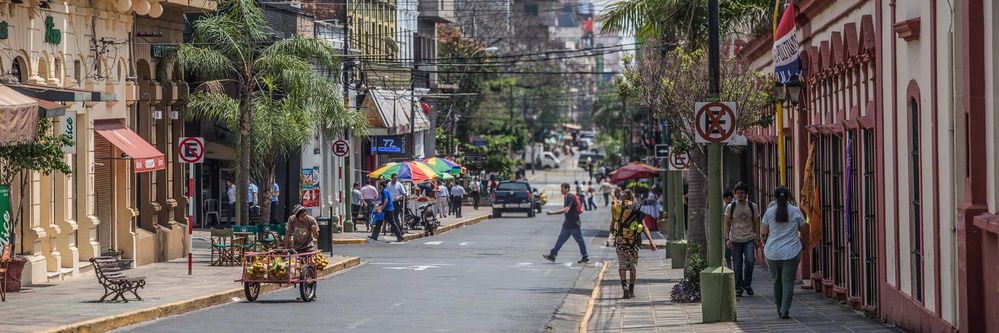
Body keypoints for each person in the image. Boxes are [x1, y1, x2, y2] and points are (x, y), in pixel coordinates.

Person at [761, 186, 806, 319]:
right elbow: (803, 229)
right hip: (791, 251)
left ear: (774, 197)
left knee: (776, 281)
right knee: (788, 282)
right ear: (789, 197)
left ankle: (778, 307)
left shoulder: (769, 212)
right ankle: (784, 310)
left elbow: (764, 232)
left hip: (772, 252)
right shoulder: (795, 210)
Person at [609, 190, 657, 299]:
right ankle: (631, 290)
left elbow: (612, 226)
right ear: (632, 197)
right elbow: (644, 226)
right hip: (633, 242)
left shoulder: (618, 208)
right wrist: (651, 241)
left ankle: (624, 287)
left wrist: (614, 235)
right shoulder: (636, 208)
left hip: (621, 240)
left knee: (622, 264)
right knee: (633, 265)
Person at [724, 183, 760, 297]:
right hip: (735, 239)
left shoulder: (752, 206)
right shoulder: (731, 207)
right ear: (735, 194)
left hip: (749, 238)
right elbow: (726, 224)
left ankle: (747, 284)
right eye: (738, 193)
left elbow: (756, 223)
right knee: (737, 265)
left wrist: (757, 237)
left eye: (742, 193)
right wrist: (727, 238)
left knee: (750, 261)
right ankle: (738, 287)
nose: (740, 195)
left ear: (746, 194)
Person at [542, 183, 589, 264]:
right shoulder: (566, 197)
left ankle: (585, 257)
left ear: (567, 189)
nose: (561, 190)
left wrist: (552, 213)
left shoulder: (570, 197)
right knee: (560, 239)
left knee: (580, 240)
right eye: (561, 189)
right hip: (567, 224)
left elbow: (566, 210)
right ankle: (553, 255)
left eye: (562, 189)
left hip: (574, 224)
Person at [722, 190, 735, 268]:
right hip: (726, 233)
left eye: (729, 198)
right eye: (726, 198)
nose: (728, 200)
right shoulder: (723, 209)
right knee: (727, 253)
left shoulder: (734, 207)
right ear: (724, 199)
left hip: (734, 232)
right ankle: (730, 267)